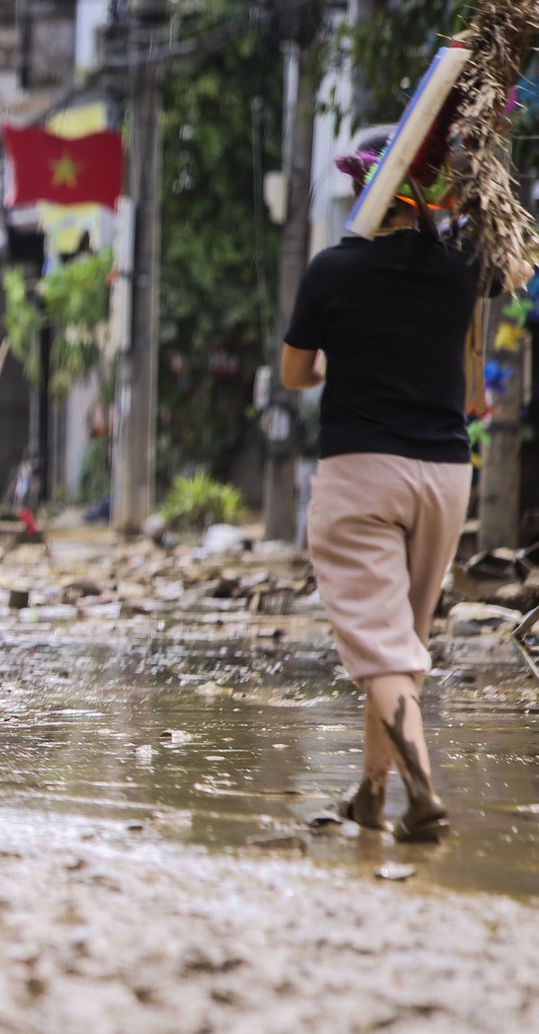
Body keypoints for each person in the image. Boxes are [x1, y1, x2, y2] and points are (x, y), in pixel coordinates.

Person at [281, 123, 509, 843]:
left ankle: (424, 789)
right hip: (444, 477)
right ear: (430, 193)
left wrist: (335, 363)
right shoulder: (460, 265)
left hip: (361, 479)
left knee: (383, 651)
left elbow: (296, 374)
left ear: (362, 190)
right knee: (399, 645)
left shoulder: (331, 271)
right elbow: (516, 264)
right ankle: (371, 792)